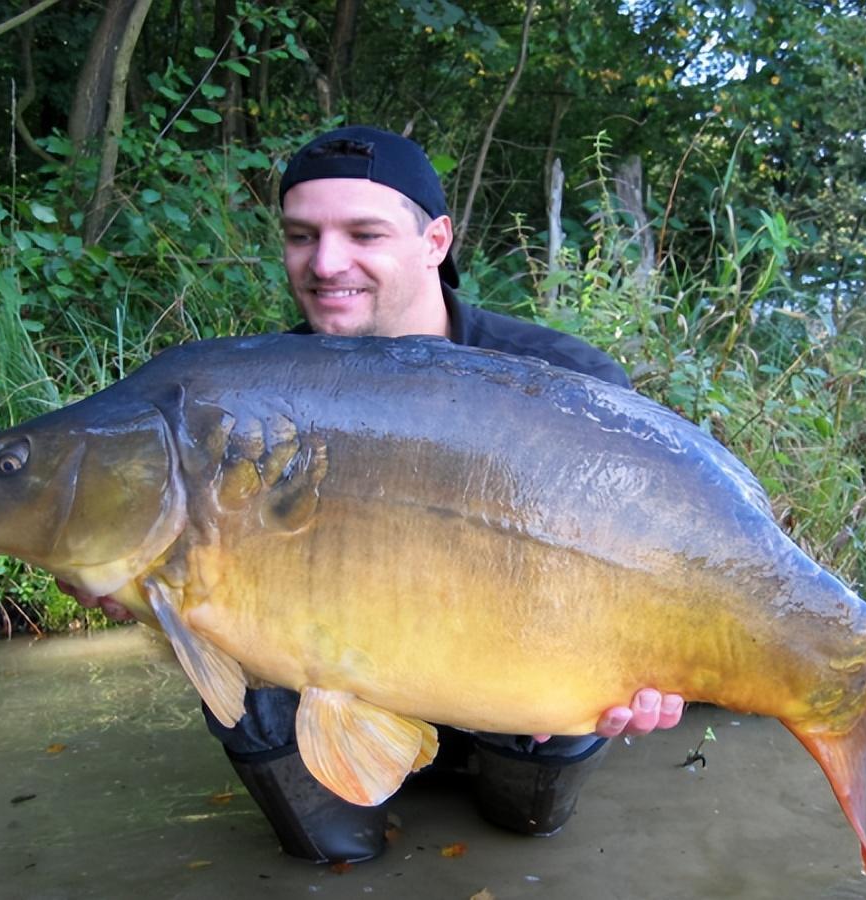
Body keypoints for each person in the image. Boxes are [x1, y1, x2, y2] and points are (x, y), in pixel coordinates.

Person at [70, 125, 685, 863]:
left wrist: (650, 671)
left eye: (364, 233)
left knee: (526, 829)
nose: (326, 264)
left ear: (436, 240)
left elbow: (651, 553)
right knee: (328, 849)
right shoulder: (252, 395)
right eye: (302, 236)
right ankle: (347, 816)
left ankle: (505, 777)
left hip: (513, 683)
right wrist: (147, 593)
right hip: (337, 685)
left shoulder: (559, 379)